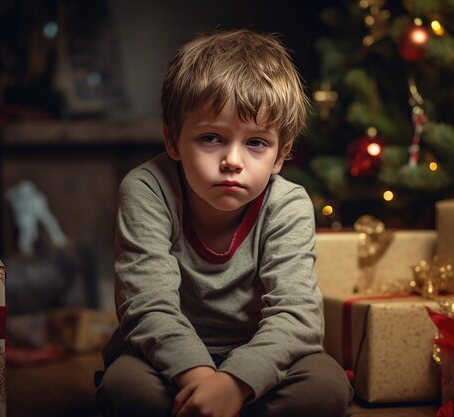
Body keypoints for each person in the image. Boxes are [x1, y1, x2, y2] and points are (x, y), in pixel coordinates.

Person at [95, 29, 353, 417]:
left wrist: (233, 384)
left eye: (255, 143)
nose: (233, 160)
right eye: (211, 138)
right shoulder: (147, 189)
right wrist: (201, 381)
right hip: (167, 361)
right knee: (126, 388)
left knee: (327, 387)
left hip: (257, 359)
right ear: (173, 140)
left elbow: (297, 314)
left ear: (280, 156)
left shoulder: (288, 204)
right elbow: (146, 305)